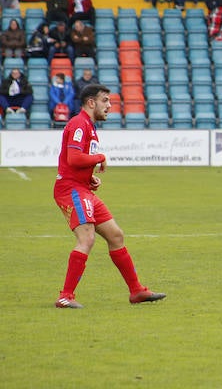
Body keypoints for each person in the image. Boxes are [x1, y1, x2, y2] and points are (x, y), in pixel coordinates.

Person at [53, 84, 166, 308]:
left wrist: (89, 178)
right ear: (91, 102)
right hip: (71, 190)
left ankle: (136, 291)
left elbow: (74, 162)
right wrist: (99, 157)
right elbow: (74, 158)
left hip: (81, 187)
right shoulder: (79, 123)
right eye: (105, 101)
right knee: (87, 238)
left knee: (115, 235)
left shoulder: (90, 127)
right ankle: (65, 296)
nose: (109, 106)